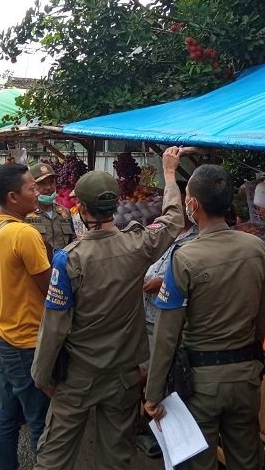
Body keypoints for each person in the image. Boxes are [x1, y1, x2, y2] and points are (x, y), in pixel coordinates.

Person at [31, 147, 185, 470]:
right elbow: (172, 220)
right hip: (123, 376)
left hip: (77, 378)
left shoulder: (69, 259)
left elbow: (55, 326)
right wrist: (169, 174)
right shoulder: (138, 244)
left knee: (54, 457)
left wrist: (41, 375)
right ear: (115, 205)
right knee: (115, 457)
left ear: (82, 209)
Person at [144, 164, 265, 470]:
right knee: (247, 458)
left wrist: (153, 393)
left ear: (193, 205)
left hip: (201, 382)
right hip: (245, 376)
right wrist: (257, 361)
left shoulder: (185, 257)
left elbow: (166, 331)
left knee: (200, 461)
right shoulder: (257, 247)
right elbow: (261, 313)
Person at [0, 163, 52, 470]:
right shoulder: (25, 233)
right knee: (41, 421)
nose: (37, 191)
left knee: (8, 416)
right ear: (13, 197)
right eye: (32, 188)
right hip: (26, 341)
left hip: (4, 333)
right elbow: (51, 290)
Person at [136, 180, 197, 458]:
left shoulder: (196, 240)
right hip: (147, 314)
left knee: (162, 376)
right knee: (145, 374)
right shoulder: (160, 233)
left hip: (170, 319)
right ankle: (145, 428)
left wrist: (163, 282)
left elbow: (191, 280)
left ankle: (162, 433)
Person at [26, 163, 74, 261]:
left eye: (51, 182)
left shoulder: (65, 213)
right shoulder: (25, 215)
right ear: (32, 186)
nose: (48, 187)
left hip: (62, 269)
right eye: (42, 183)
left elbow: (72, 241)